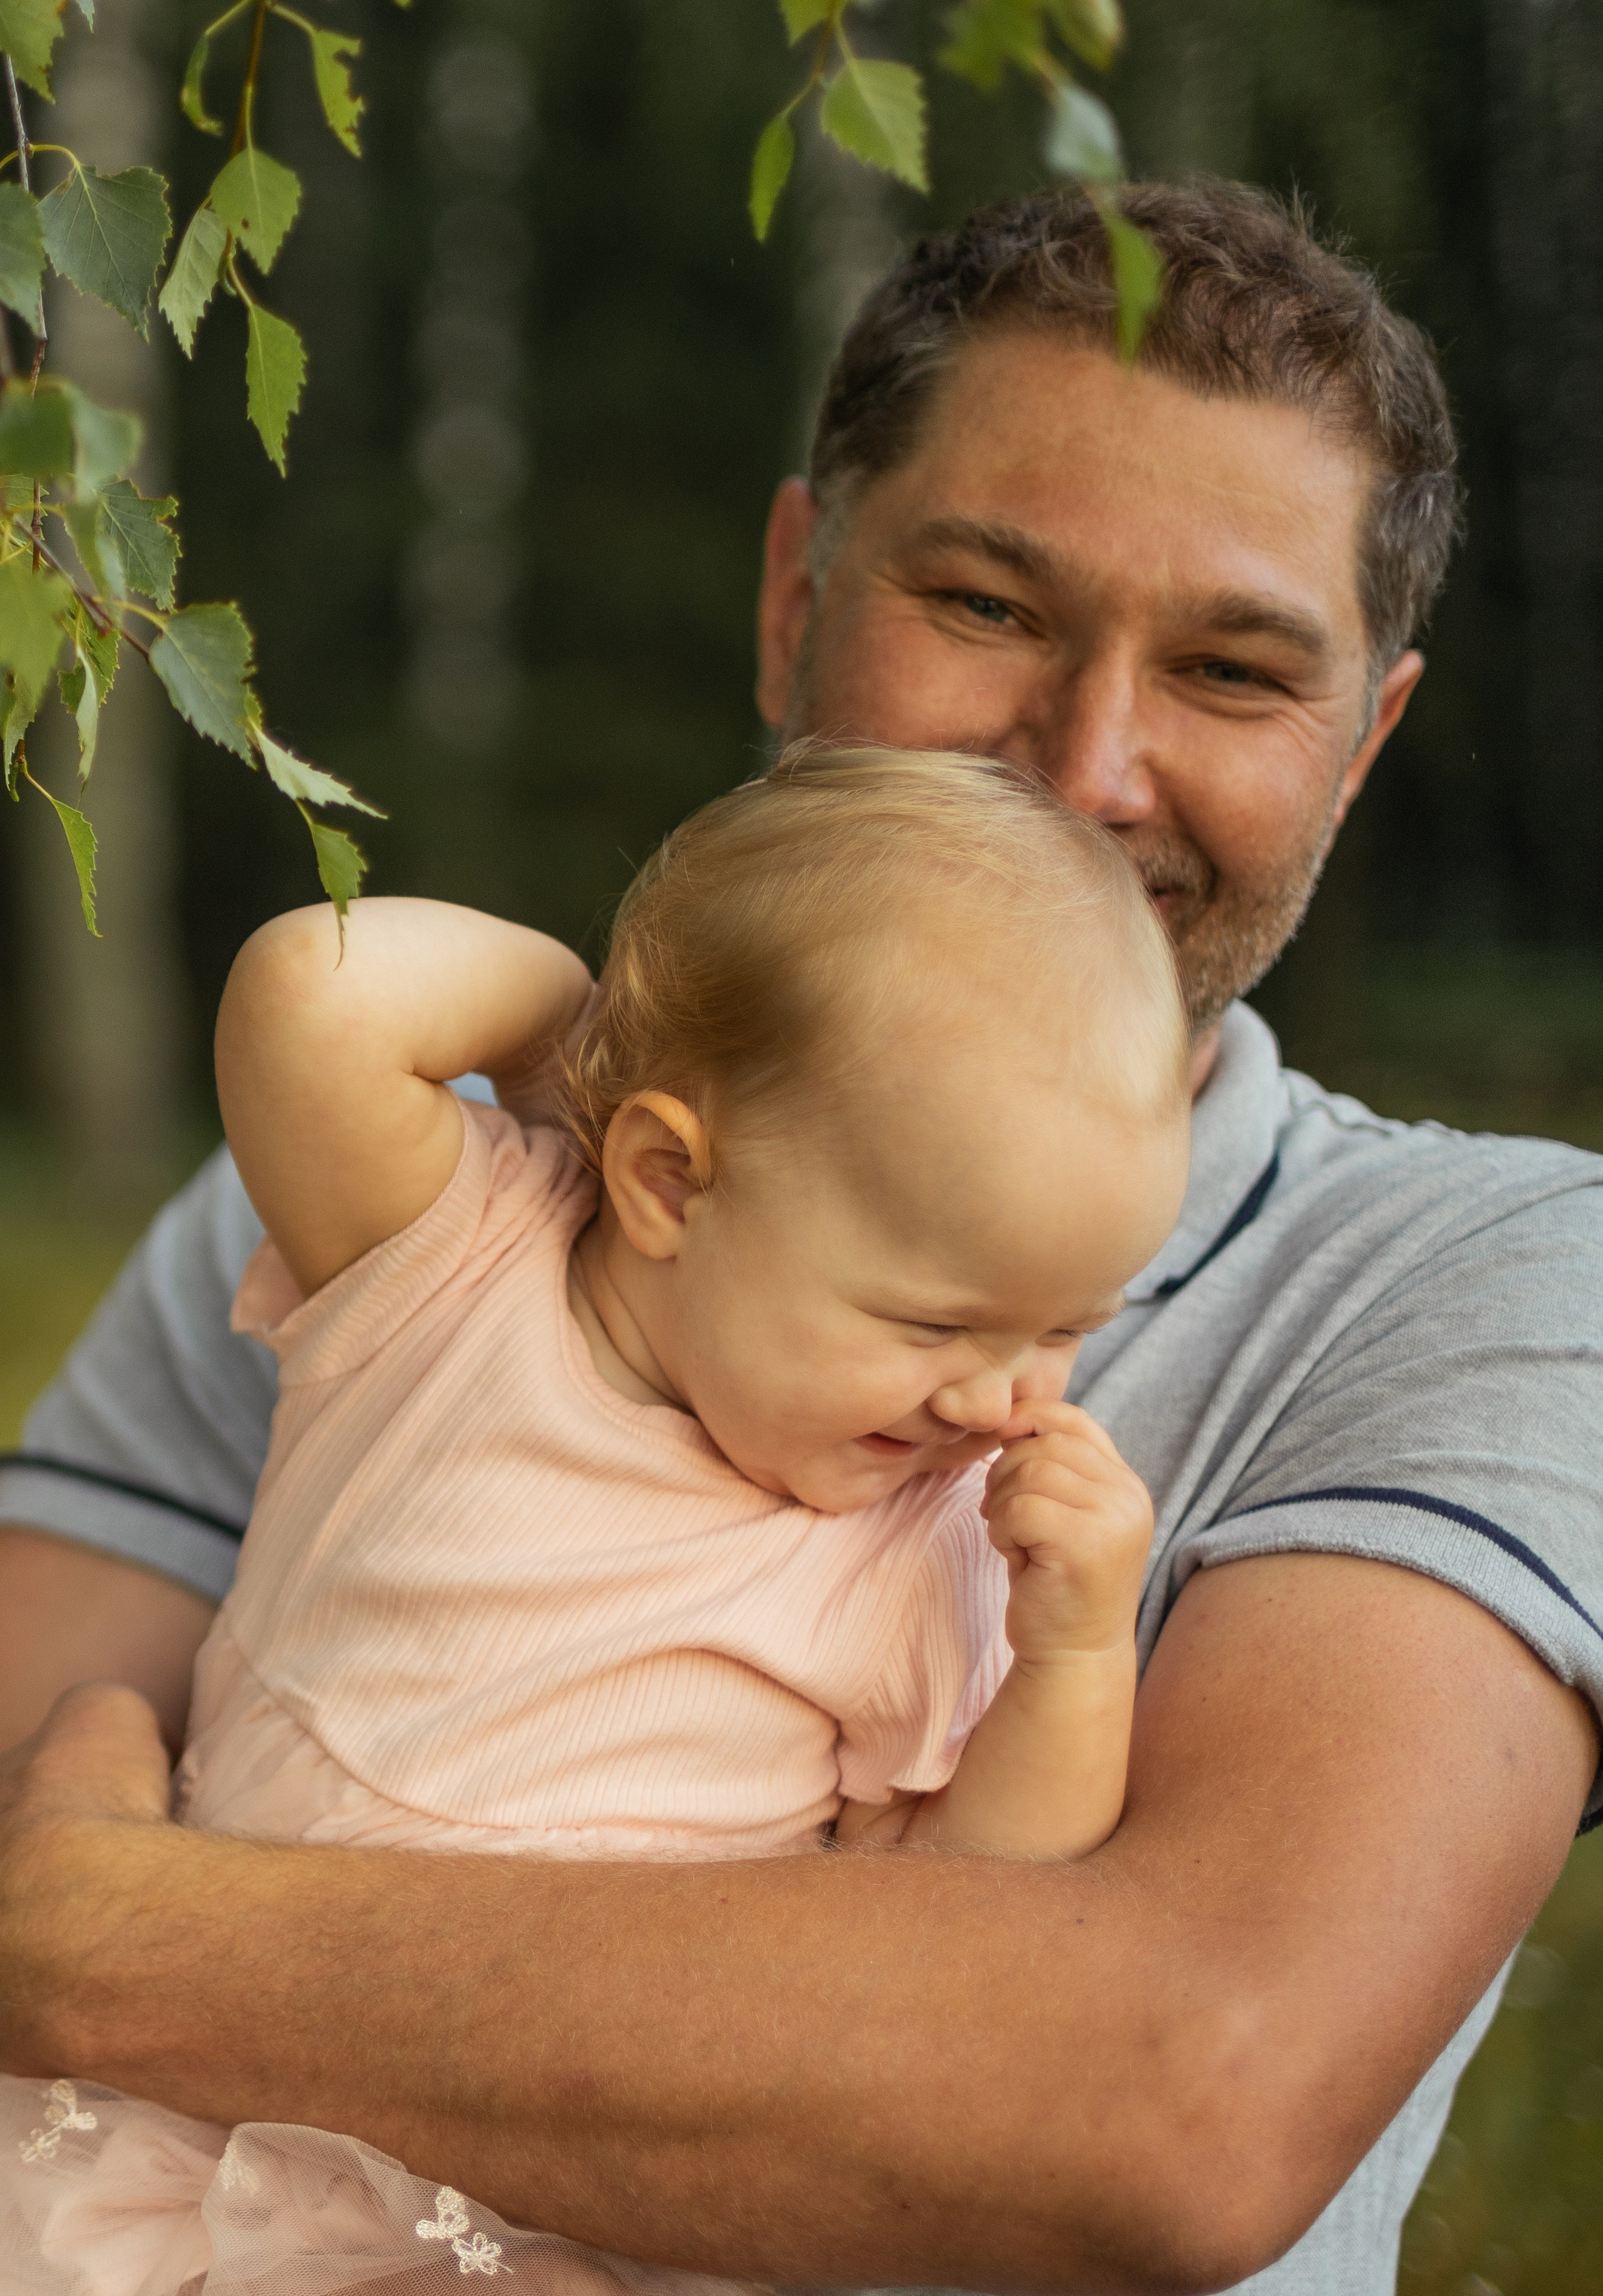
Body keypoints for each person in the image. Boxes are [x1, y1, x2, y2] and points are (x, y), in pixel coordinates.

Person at [1, 177, 1600, 2296]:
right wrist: (618, 1059)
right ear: (794, 598)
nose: (1088, 767)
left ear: (1364, 742)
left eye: (1232, 667)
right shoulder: (426, 1204)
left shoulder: (1496, 1277)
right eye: (989, 604)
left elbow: (1167, 2101)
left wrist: (107, 1937)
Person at [0, 748, 1191, 2293]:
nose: (994, 1397)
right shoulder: (452, 1265)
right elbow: (308, 996)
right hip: (190, 2101)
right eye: (933, 1322)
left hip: (553, 2200)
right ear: (666, 1183)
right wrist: (573, 1028)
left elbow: (975, 1892)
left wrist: (1075, 1653)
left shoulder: (918, 1530)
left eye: (1063, 1330)